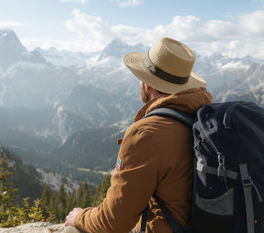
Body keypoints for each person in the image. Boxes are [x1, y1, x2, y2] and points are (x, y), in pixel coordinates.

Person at [64, 37, 213, 233]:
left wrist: (78, 216)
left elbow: (113, 223)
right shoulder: (203, 118)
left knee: (72, 231)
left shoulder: (146, 134)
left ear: (147, 85)